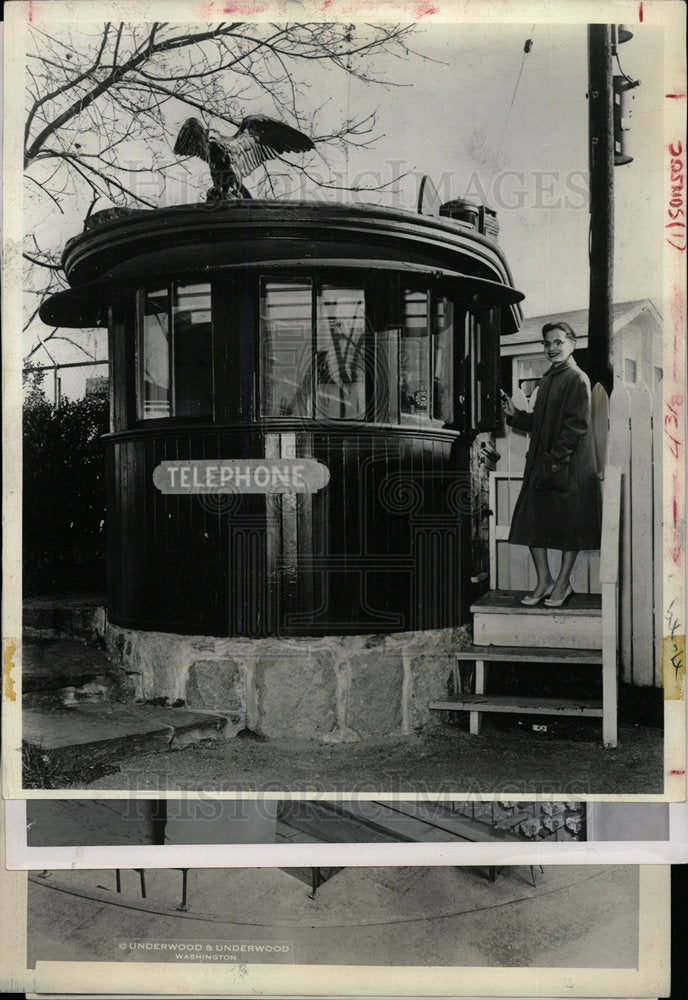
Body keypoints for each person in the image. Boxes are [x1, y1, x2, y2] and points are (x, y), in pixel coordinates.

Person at [501, 321, 601, 607]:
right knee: (532, 522)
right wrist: (515, 415)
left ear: (571, 342)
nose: (551, 348)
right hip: (547, 463)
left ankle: (562, 583)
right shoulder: (549, 378)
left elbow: (576, 427)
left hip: (569, 466)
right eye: (547, 343)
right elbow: (541, 422)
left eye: (558, 342)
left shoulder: (576, 378)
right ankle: (544, 580)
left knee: (570, 527)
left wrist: (554, 463)